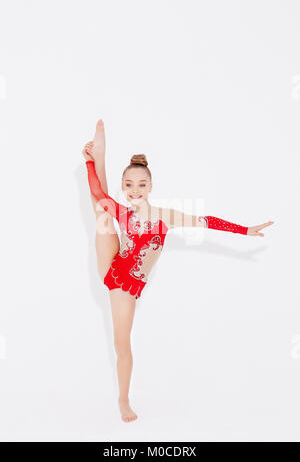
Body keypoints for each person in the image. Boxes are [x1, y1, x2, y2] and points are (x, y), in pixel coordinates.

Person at [82, 119, 274, 422]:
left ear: (151, 186)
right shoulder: (123, 211)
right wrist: (90, 163)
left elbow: (206, 221)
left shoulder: (165, 216)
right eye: (129, 185)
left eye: (141, 184)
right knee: (101, 208)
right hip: (114, 271)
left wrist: (244, 230)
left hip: (130, 286)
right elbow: (96, 190)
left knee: (122, 345)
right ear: (124, 187)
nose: (135, 190)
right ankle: (101, 153)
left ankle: (123, 398)